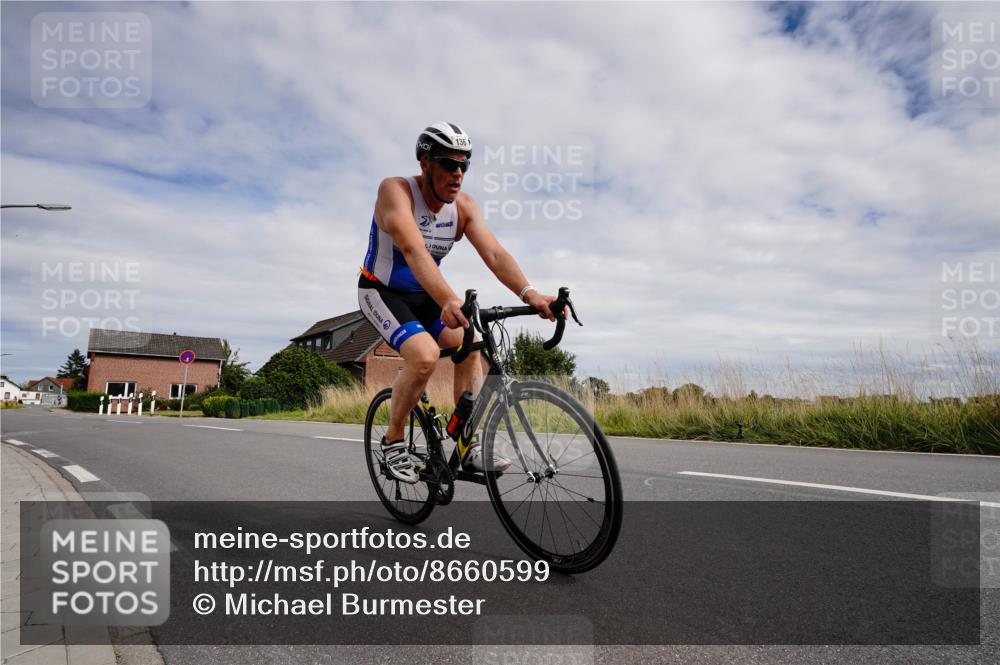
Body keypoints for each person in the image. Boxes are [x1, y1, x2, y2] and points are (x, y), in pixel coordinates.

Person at [358, 121, 559, 483]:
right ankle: (393, 441)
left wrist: (530, 294)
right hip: (382, 292)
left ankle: (467, 444)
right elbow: (412, 249)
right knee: (424, 356)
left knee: (474, 347)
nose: (457, 174)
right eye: (448, 164)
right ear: (425, 164)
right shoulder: (396, 192)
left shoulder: (463, 208)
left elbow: (495, 254)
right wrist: (449, 299)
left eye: (464, 165)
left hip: (427, 295)